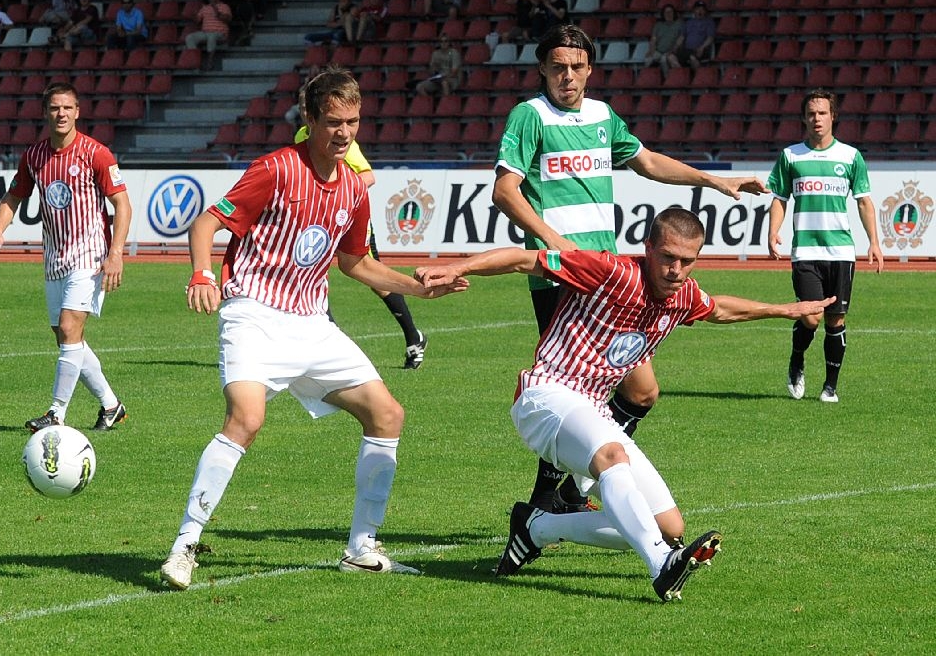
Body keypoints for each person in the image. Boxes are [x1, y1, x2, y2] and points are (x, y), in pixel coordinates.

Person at [416, 208, 835, 601]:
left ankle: (538, 528)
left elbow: (719, 309)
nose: (676, 270)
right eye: (668, 257)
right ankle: (660, 565)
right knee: (613, 457)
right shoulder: (611, 271)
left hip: (593, 411)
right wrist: (459, 266)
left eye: (688, 261)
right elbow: (526, 260)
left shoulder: (681, 295)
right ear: (648, 248)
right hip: (545, 395)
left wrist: (785, 310)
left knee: (670, 527)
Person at [158, 67, 466, 590]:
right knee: (246, 420)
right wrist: (201, 273)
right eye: (333, 122)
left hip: (312, 324)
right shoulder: (275, 170)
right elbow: (207, 222)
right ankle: (185, 544)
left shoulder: (352, 188)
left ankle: (361, 549)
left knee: (387, 414)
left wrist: (418, 289)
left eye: (352, 122)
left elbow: (356, 263)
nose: (344, 133)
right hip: (254, 313)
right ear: (309, 120)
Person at [492, 24, 768, 515]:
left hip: (612, 274)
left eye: (577, 67)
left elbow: (646, 162)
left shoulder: (602, 116)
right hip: (565, 276)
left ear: (591, 70)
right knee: (576, 393)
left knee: (640, 391)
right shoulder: (530, 116)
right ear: (542, 69)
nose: (568, 76)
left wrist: (712, 181)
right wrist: (555, 243)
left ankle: (565, 492)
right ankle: (548, 500)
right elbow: (505, 191)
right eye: (558, 67)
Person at [0, 81, 131, 434]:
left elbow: (122, 204)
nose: (61, 114)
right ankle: (111, 405)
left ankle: (56, 413)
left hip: (91, 254)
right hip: (55, 257)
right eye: (55, 108)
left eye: (67, 108)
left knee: (68, 329)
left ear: (78, 112)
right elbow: (14, 196)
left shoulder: (96, 153)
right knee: (67, 338)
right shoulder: (34, 156)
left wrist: (116, 254)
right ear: (46, 112)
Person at [293, 92, 429, 369]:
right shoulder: (301, 136)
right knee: (311, 275)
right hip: (320, 220)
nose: (305, 110)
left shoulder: (342, 141)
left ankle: (414, 336)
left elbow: (368, 176)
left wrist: (337, 192)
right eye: (303, 106)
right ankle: (327, 343)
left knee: (375, 280)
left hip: (350, 218)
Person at [767, 88, 884, 404]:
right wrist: (773, 231)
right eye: (811, 113)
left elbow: (863, 202)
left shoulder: (850, 156)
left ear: (833, 117)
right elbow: (779, 199)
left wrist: (874, 241)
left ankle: (830, 387)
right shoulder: (791, 156)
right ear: (804, 118)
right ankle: (797, 360)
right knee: (810, 317)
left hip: (841, 252)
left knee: (836, 320)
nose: (816, 118)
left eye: (822, 113)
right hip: (805, 250)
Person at [184, 0, 232, 70]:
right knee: (190, 37)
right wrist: (193, 15)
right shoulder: (205, 8)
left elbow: (228, 19)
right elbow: (198, 20)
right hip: (206, 32)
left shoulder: (224, 6)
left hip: (220, 33)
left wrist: (217, 11)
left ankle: (210, 62)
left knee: (212, 36)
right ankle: (195, 62)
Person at [643, 3, 682, 78]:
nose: (668, 14)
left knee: (663, 60)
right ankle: (649, 80)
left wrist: (673, 50)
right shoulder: (658, 25)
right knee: (648, 59)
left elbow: (681, 38)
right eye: (666, 12)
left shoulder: (679, 24)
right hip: (658, 51)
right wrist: (651, 51)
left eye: (670, 12)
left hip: (671, 52)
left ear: (674, 13)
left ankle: (666, 79)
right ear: (663, 14)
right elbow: (653, 39)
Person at [674, 0, 715, 70]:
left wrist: (702, 47)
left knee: (692, 57)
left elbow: (710, 38)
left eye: (702, 9)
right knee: (671, 57)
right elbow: (682, 37)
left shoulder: (709, 22)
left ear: (705, 11)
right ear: (694, 10)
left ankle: (696, 78)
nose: (700, 11)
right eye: (697, 9)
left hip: (701, 50)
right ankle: (682, 75)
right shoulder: (688, 23)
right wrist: (675, 47)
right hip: (687, 50)